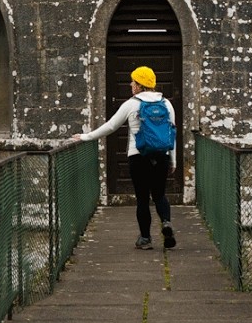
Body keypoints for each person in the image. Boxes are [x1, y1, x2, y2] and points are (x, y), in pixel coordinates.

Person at [72, 66, 177, 250]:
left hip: (138, 156)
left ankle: (145, 239)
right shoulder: (166, 103)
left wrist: (86, 137)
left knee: (142, 198)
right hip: (161, 156)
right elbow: (171, 133)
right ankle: (166, 222)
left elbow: (111, 126)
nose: (130, 84)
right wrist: (172, 159)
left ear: (140, 85)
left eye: (133, 81)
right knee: (159, 195)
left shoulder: (131, 104)